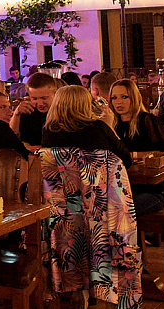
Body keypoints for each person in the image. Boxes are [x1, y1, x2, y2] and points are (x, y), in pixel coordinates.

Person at [41, 85, 148, 214]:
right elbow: (125, 161)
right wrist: (109, 127)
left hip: (60, 204)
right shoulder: (97, 128)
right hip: (98, 204)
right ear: (85, 105)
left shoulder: (48, 131)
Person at [106, 79, 164, 153]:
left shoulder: (147, 120)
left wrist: (133, 156)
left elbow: (160, 152)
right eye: (114, 98)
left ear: (134, 98)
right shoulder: (112, 123)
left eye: (124, 97)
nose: (119, 102)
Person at [11, 73, 60, 146]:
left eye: (44, 98)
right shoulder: (28, 110)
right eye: (34, 99)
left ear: (55, 94)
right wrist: (16, 114)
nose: (40, 103)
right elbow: (12, 137)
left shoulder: (62, 113)